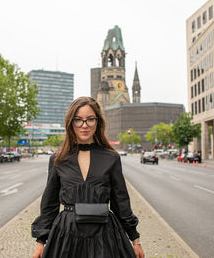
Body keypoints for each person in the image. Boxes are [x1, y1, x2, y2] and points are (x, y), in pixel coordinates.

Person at [32, 97, 145, 258]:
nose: (84, 125)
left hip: (105, 236)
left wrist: (135, 239)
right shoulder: (58, 159)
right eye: (78, 120)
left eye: (90, 119)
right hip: (66, 237)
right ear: (71, 123)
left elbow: (121, 202)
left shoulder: (111, 158)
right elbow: (49, 204)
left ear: (97, 122)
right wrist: (41, 241)